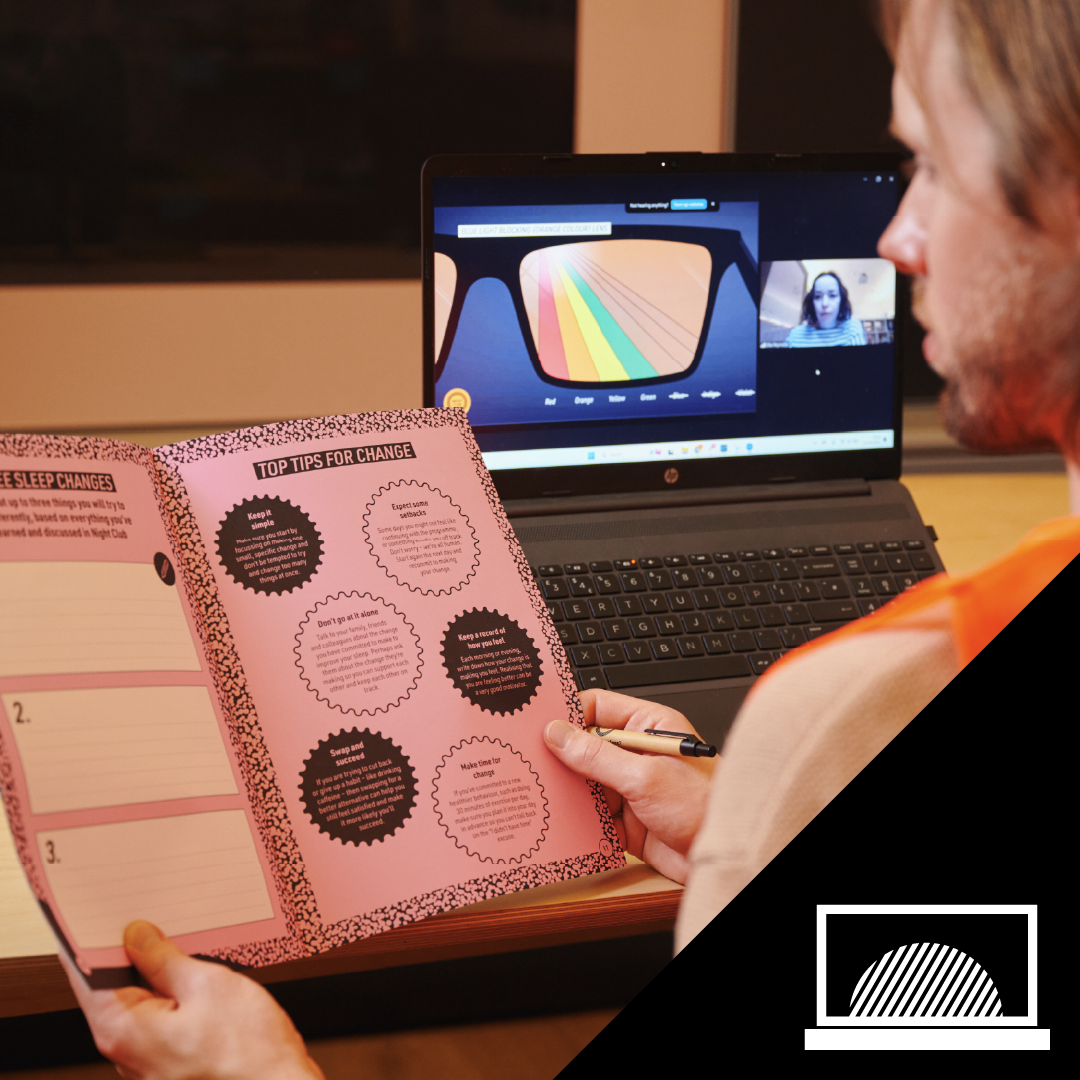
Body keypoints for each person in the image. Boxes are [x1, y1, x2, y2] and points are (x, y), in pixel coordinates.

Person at [63, 1, 1080, 1074]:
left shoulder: (856, 704)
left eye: (931, 165)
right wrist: (747, 831)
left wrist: (257, 1074)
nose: (894, 239)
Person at [784, 270, 869, 346]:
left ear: (841, 300)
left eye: (832, 295)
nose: (824, 304)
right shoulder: (796, 335)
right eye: (817, 296)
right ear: (812, 302)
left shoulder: (852, 328)